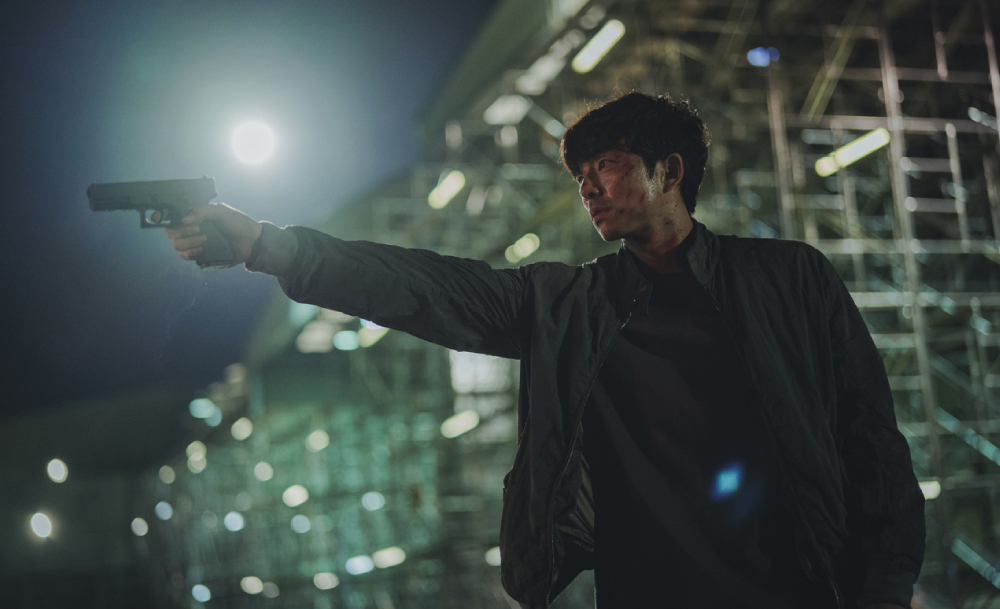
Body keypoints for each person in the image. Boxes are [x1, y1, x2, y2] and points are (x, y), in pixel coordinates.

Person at [163, 92, 924, 608]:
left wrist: (885, 594)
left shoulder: (790, 278)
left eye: (607, 165)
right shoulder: (568, 304)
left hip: (800, 590)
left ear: (670, 172)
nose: (588, 187)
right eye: (581, 175)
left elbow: (873, 443)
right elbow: (426, 288)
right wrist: (267, 245)